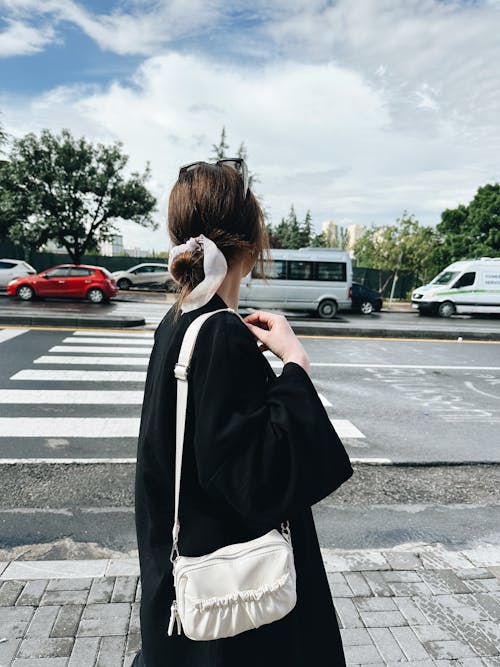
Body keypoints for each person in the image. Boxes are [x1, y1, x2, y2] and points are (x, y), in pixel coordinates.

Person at [132, 158, 354, 667]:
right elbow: (257, 478)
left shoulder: (179, 320)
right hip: (236, 604)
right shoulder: (221, 331)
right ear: (252, 249)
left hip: (185, 567)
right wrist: (294, 367)